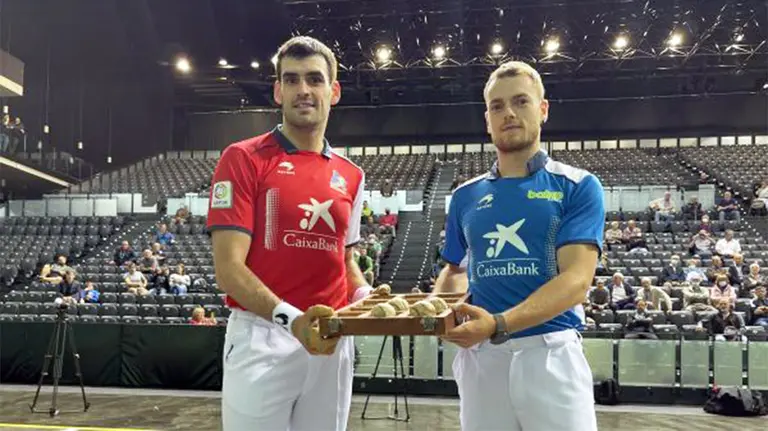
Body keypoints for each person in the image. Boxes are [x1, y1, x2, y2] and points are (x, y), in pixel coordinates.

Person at [206, 36, 387, 431]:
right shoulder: (242, 158)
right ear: (277, 91)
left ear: (333, 91)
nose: (303, 90)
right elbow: (228, 268)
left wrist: (364, 296)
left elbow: (345, 259)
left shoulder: (352, 176)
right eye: (291, 80)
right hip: (262, 337)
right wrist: (293, 319)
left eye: (314, 79)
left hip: (330, 339)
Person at [434, 60, 603, 431]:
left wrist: (499, 323)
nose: (508, 113)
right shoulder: (464, 197)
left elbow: (576, 280)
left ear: (542, 110)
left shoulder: (577, 185)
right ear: (487, 119)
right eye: (497, 106)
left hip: (550, 355)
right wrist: (442, 314)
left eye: (520, 102)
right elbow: (454, 270)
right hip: (482, 360)